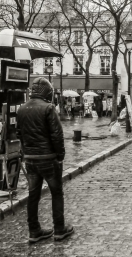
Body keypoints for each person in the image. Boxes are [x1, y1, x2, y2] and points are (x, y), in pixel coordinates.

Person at [16, 77, 74, 243]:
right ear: (47, 92)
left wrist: (27, 152)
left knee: (33, 195)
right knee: (56, 193)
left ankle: (34, 231)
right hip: (48, 158)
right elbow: (57, 134)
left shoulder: (22, 109)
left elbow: (19, 133)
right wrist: (60, 155)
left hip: (31, 159)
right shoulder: (48, 108)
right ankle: (59, 228)